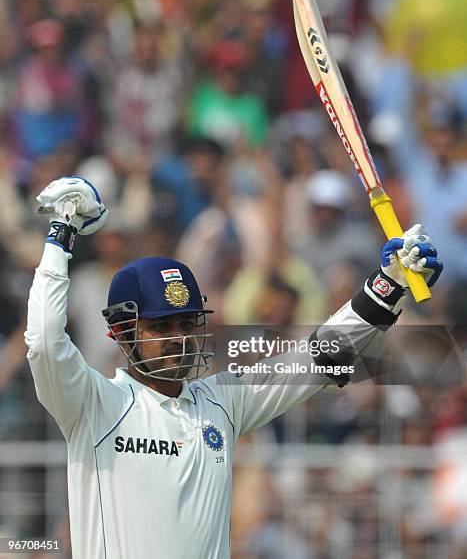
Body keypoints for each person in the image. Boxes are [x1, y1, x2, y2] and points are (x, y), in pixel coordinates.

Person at [25, 176, 443, 559]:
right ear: (121, 331)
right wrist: (61, 235)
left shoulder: (222, 402)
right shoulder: (93, 403)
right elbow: (44, 342)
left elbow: (318, 355)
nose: (178, 337)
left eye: (187, 323)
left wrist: (388, 286)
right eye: (160, 326)